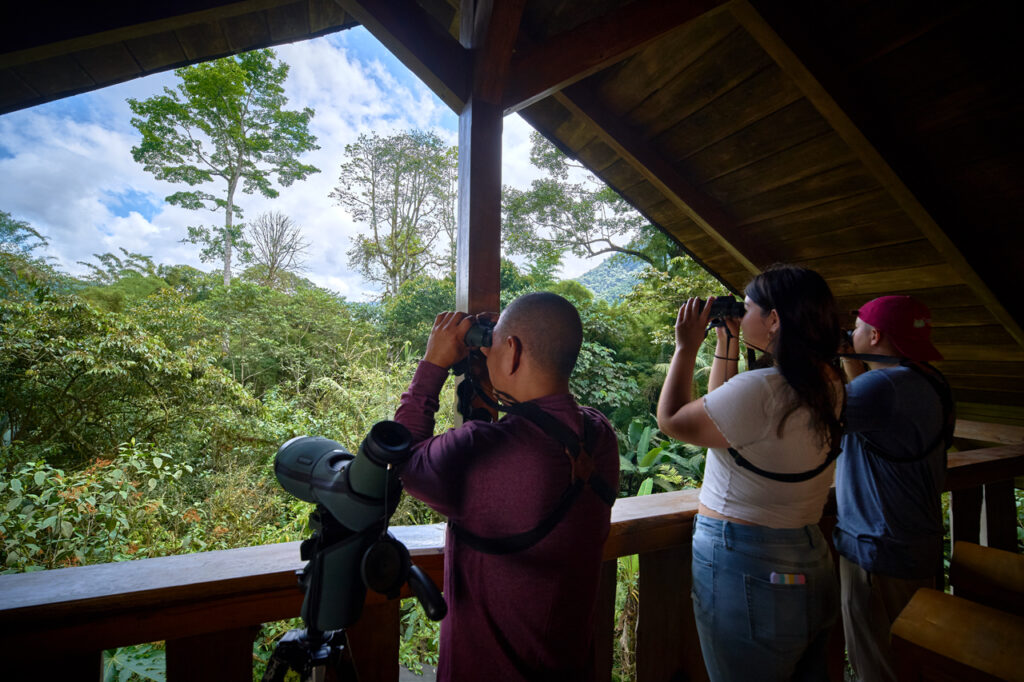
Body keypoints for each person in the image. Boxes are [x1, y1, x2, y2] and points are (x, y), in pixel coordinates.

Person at [394, 292, 620, 682]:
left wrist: (432, 365)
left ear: (512, 351)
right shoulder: (600, 436)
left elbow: (402, 459)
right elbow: (533, 428)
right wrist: (493, 372)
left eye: (496, 343)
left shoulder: (484, 448)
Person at [657, 264, 844, 682]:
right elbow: (723, 414)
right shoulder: (829, 382)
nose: (742, 315)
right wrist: (727, 342)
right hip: (808, 554)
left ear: (774, 319)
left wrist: (685, 348)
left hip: (746, 564)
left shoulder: (762, 389)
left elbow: (672, 420)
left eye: (748, 308)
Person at [834, 295, 950, 682]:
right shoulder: (929, 379)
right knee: (911, 661)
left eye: (857, 328)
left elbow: (811, 420)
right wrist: (848, 358)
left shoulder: (882, 386)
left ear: (875, 335)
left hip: (876, 549)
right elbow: (871, 413)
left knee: (877, 665)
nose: (852, 333)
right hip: (914, 543)